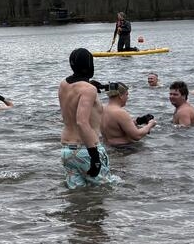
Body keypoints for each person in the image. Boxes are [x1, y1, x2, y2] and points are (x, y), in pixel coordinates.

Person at [58, 47, 110, 189]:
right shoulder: (88, 90)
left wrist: (91, 84)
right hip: (86, 149)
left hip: (67, 151)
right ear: (90, 65)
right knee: (106, 190)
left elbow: (75, 94)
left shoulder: (63, 84)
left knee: (78, 195)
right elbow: (81, 122)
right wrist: (95, 157)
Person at [100, 82, 156, 147]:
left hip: (109, 146)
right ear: (120, 96)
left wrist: (138, 121)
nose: (127, 98)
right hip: (124, 149)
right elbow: (137, 136)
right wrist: (150, 125)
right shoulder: (120, 112)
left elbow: (116, 127)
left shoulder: (103, 109)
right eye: (126, 95)